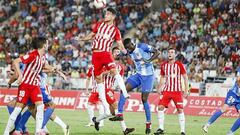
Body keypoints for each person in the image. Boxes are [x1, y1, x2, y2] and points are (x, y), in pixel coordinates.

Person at [77, 7, 129, 128]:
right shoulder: (99, 25)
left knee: (114, 70)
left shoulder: (115, 30)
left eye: (108, 14)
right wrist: (82, 38)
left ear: (113, 17)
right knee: (99, 78)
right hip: (95, 54)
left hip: (105, 53)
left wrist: (125, 51)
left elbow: (120, 43)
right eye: (106, 14)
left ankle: (125, 93)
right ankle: (105, 106)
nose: (106, 15)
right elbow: (92, 35)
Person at [109, 38, 160, 134]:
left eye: (129, 48)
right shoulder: (128, 50)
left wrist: (148, 60)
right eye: (127, 48)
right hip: (139, 74)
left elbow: (157, 52)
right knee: (123, 89)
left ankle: (148, 123)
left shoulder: (142, 46)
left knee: (144, 99)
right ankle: (119, 114)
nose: (128, 50)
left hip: (148, 76)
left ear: (132, 44)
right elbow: (122, 53)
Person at [4, 37, 52, 135]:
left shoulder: (42, 57)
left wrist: (56, 70)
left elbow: (44, 67)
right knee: (17, 110)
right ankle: (6, 132)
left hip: (35, 86)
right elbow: (16, 61)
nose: (48, 45)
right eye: (47, 43)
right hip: (25, 85)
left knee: (40, 106)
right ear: (43, 45)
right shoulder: (33, 55)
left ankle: (38, 131)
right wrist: (20, 75)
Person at [154, 47, 189, 135]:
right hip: (167, 91)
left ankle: (182, 131)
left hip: (177, 91)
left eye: (172, 52)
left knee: (180, 110)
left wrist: (186, 90)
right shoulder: (163, 65)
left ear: (174, 55)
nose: (170, 54)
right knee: (160, 107)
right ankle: (161, 128)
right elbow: (162, 77)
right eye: (169, 52)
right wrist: (159, 87)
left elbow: (185, 77)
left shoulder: (179, 65)